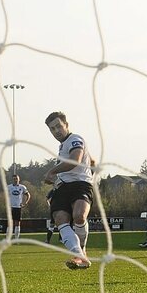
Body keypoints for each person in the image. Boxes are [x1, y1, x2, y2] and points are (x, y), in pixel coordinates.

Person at [43, 111, 95, 270]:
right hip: (63, 187)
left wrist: (52, 171)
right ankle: (79, 256)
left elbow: (75, 160)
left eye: (58, 126)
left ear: (66, 125)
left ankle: (82, 252)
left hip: (80, 185)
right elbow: (92, 161)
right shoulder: (63, 146)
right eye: (52, 129)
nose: (56, 131)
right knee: (60, 219)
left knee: (79, 216)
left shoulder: (75, 139)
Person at [7, 174, 31, 241]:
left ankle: (16, 238)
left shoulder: (22, 187)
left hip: (18, 207)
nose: (15, 180)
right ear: (12, 179)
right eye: (14, 179)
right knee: (10, 223)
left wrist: (25, 202)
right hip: (11, 207)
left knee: (17, 223)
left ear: (19, 179)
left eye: (16, 178)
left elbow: (28, 195)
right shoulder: (9, 187)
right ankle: (8, 238)